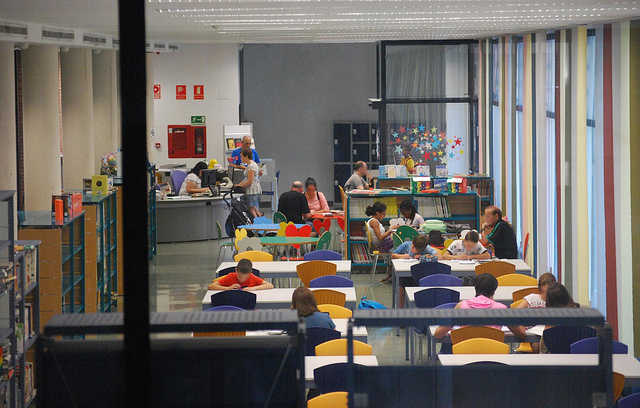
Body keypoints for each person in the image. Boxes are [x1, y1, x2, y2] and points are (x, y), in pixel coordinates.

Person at [433, 273, 526, 340]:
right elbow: (521, 334)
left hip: (465, 353)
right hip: (493, 354)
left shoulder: (461, 306)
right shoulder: (502, 309)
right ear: (494, 290)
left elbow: (438, 334)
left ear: (475, 288)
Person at [539, 283, 580, 353]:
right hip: (584, 358)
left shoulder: (549, 333)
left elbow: (543, 353)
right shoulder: (584, 319)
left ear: (549, 303)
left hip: (557, 359)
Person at [208, 259, 274, 291]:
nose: (242, 280)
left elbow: (270, 285)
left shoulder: (252, 277)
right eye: (239, 276)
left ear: (250, 272)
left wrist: (253, 288)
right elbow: (211, 286)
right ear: (236, 270)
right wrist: (228, 288)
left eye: (246, 277)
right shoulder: (231, 276)